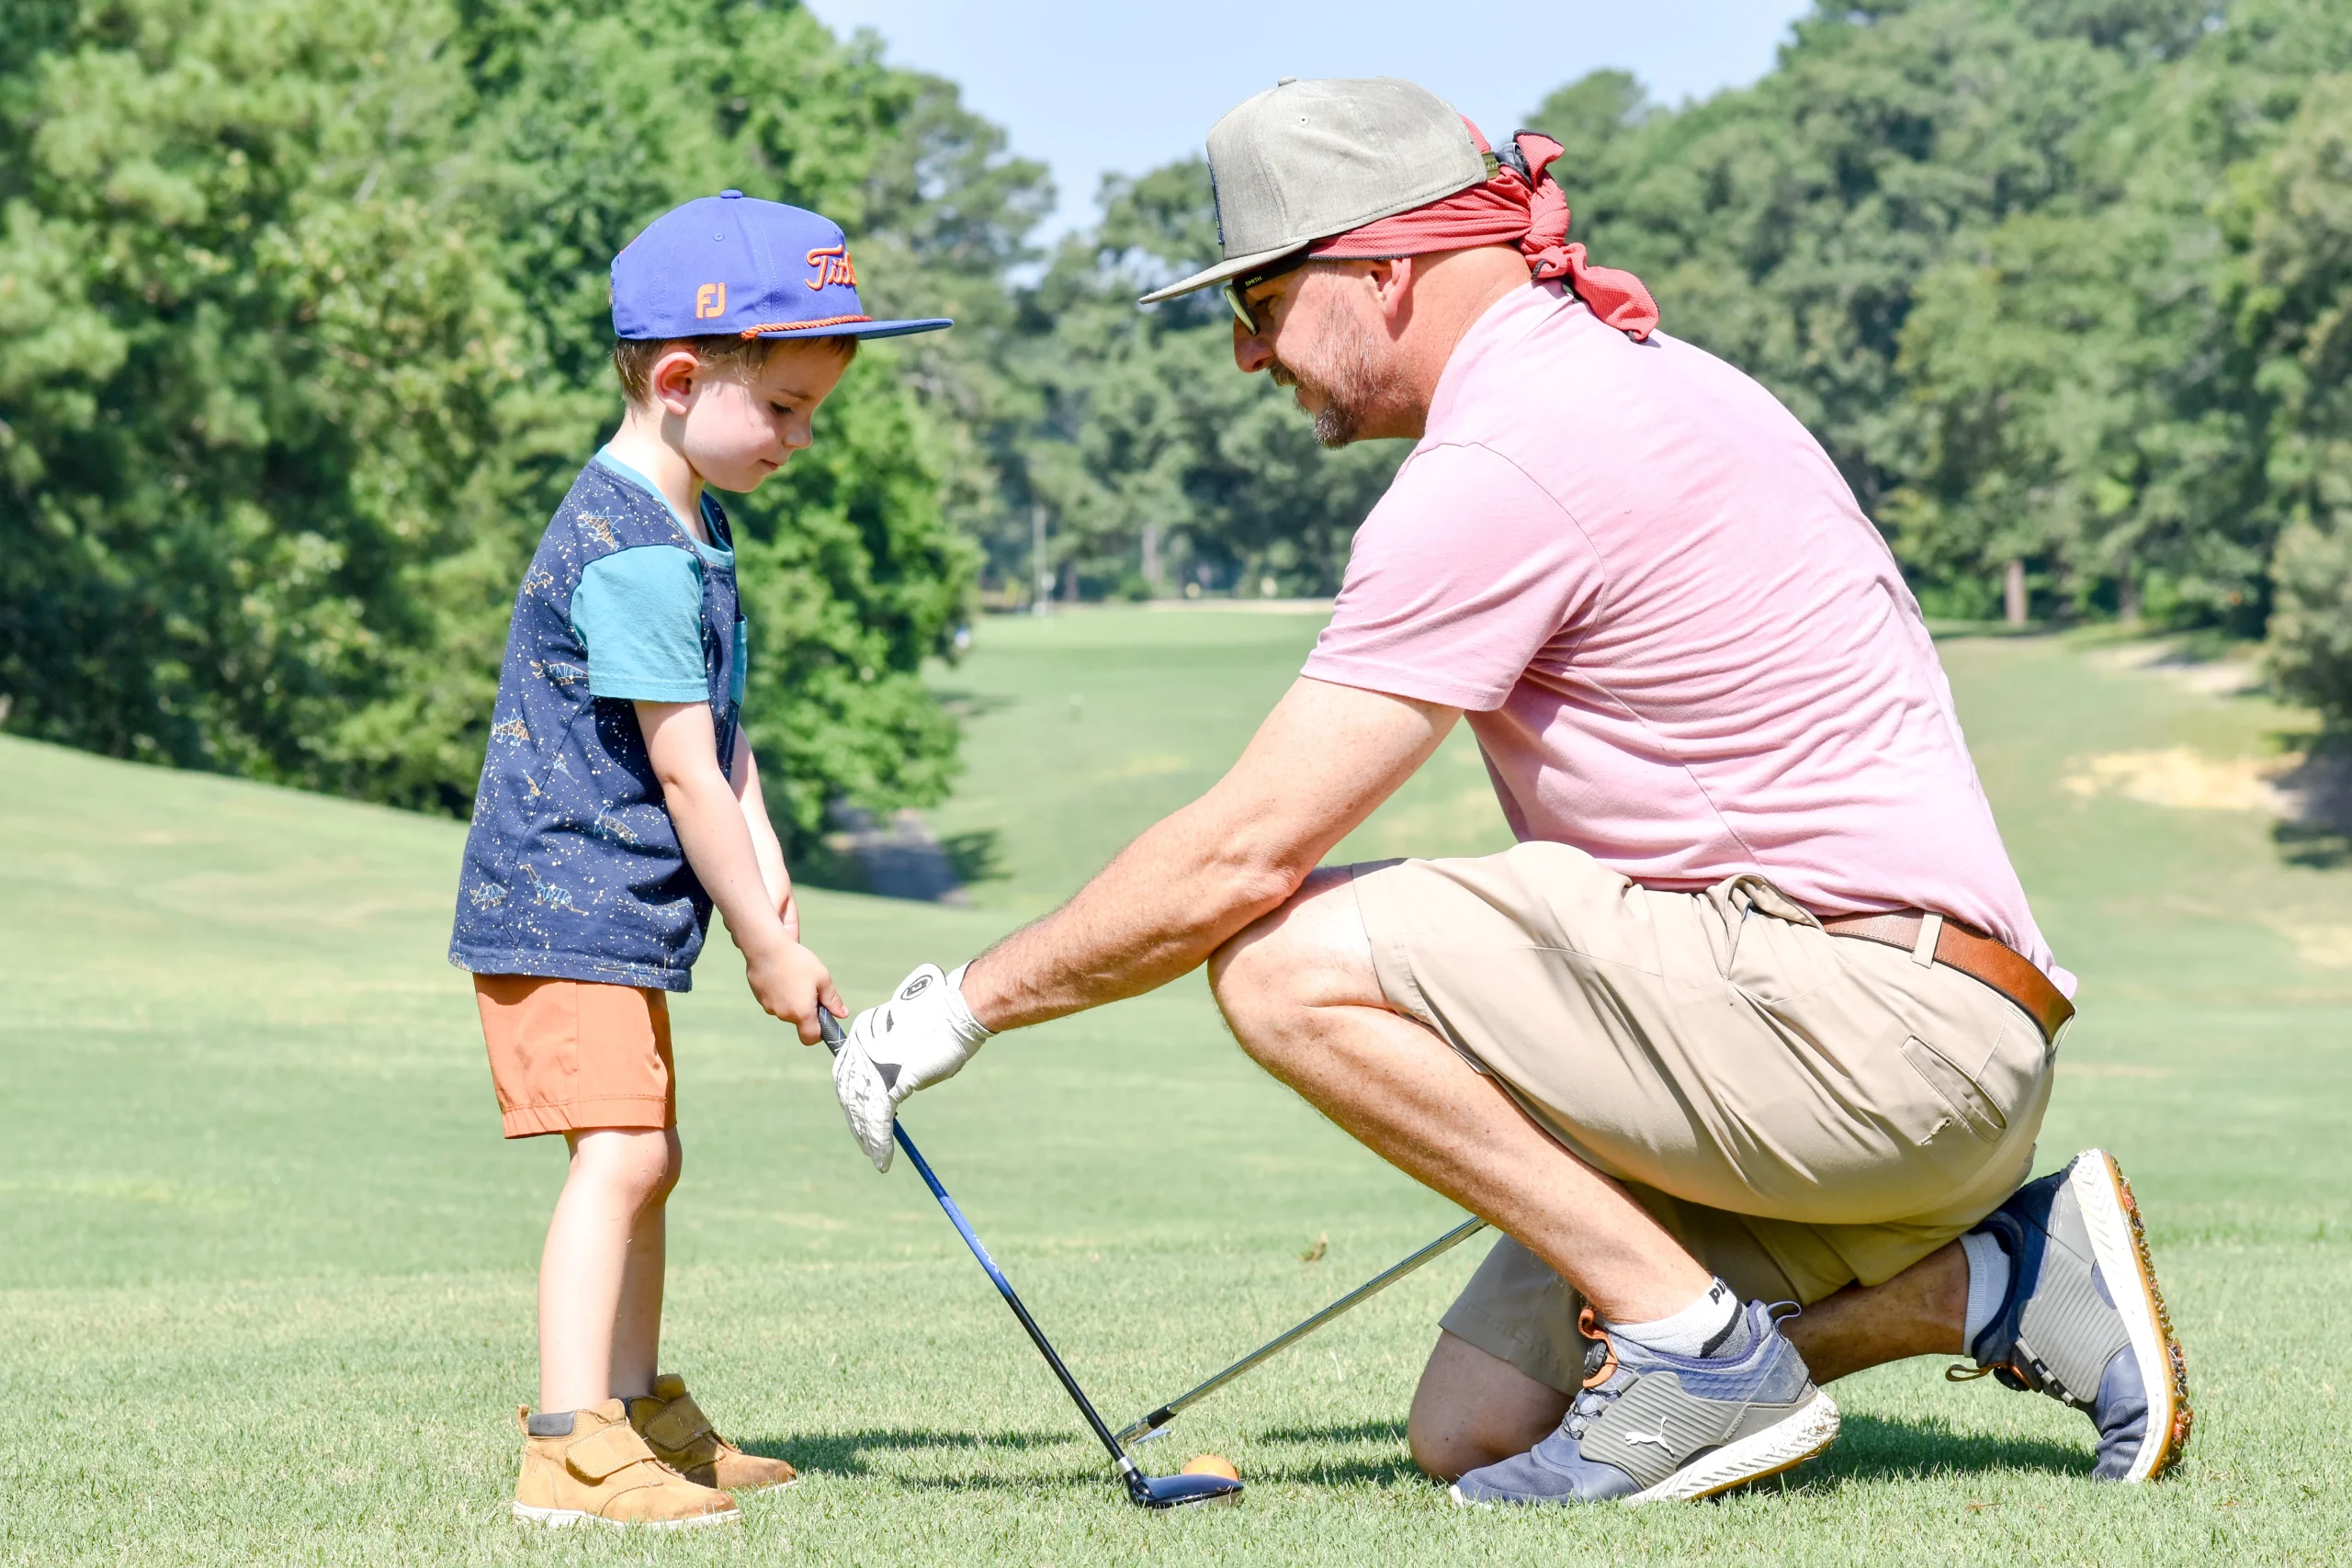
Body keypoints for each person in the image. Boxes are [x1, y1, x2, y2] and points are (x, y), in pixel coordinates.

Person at [828, 79, 2190, 1506]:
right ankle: (1994, 1280)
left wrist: (958, 1006)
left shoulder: (1506, 453)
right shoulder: (1637, 373)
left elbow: (1240, 852)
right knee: (1476, 1427)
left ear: (1382, 269)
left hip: (1874, 1043)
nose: (1247, 355)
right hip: (1906, 1059)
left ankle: (1697, 1353)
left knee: (1283, 958)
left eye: (1260, 303)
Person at [447, 192, 949, 1529]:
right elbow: (677, 766)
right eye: (782, 408)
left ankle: (640, 1409)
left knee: (649, 1153)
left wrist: (768, 871)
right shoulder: (633, 550)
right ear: (680, 381)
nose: (798, 439)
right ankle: (569, 1445)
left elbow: (719, 744)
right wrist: (770, 948)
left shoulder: (686, 522)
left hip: (616, 905)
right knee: (617, 1155)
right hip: (559, 901)